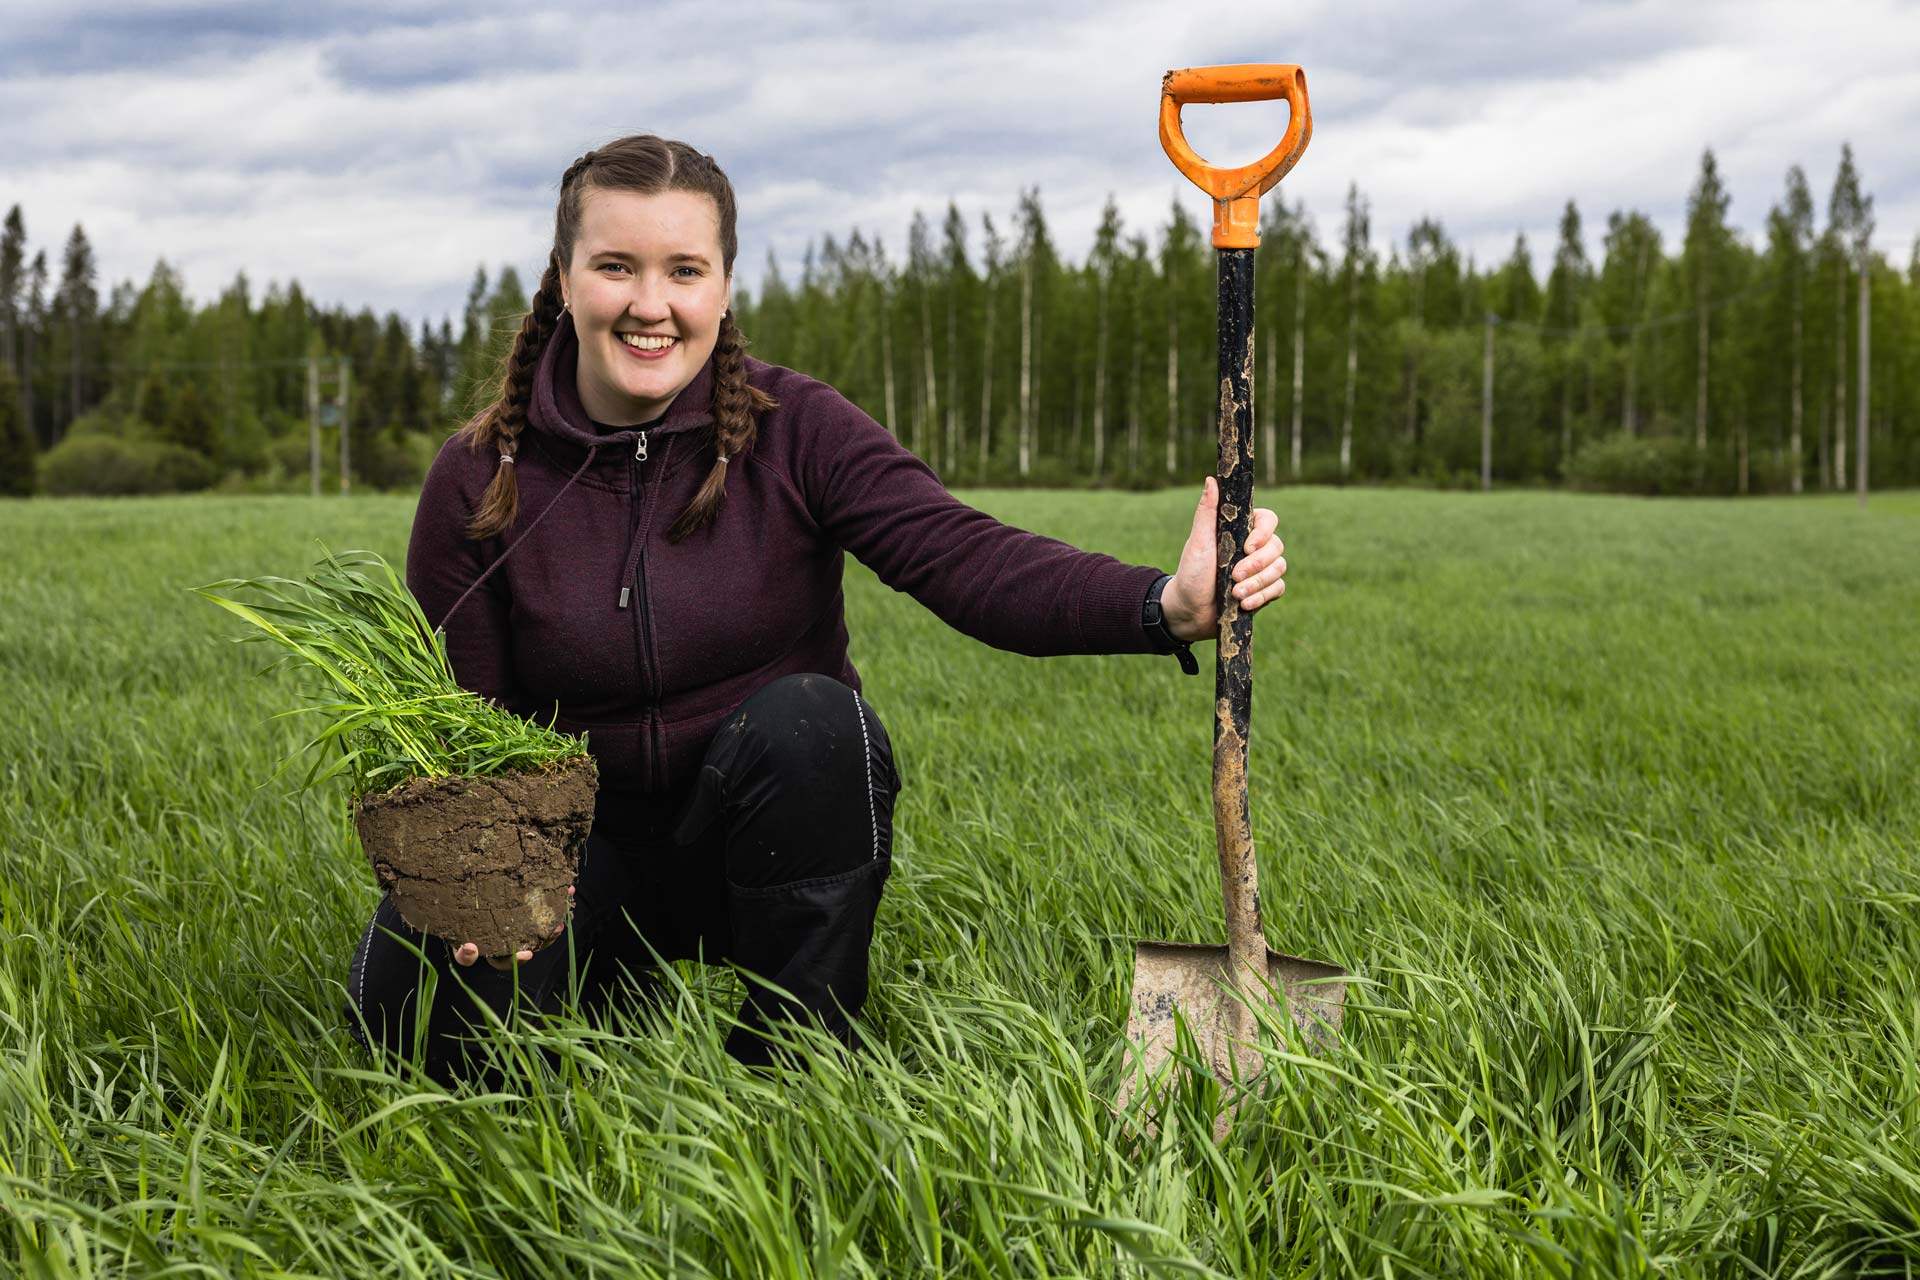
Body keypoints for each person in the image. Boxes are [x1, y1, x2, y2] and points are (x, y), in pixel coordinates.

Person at [346, 134, 1289, 1081]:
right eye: (615, 267)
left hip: (751, 846)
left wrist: (1162, 604)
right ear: (562, 277)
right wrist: (465, 880)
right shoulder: (480, 477)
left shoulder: (796, 432)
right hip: (566, 861)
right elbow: (456, 731)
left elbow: (967, 559)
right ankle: (601, 979)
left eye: (684, 269)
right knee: (415, 1035)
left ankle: (796, 1062)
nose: (651, 305)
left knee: (813, 725)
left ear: (723, 286)